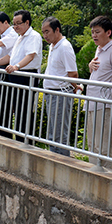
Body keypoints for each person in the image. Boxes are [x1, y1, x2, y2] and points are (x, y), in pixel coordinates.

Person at [0, 10, 42, 142]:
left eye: (18, 23)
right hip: (15, 75)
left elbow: (30, 56)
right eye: (14, 24)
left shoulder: (33, 36)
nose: (15, 27)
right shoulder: (19, 37)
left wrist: (16, 66)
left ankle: (25, 142)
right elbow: (9, 57)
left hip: (26, 75)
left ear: (27, 22)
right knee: (16, 110)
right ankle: (16, 140)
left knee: (23, 111)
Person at [84, 16, 112, 168]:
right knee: (92, 143)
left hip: (104, 103)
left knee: (103, 144)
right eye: (92, 32)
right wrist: (90, 66)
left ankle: (106, 175)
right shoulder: (99, 49)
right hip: (92, 101)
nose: (94, 35)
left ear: (108, 32)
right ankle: (94, 172)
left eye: (97, 32)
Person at [41, 17, 79, 156]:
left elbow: (73, 73)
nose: (45, 36)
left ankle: (62, 161)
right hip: (51, 92)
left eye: (47, 31)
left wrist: (75, 87)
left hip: (60, 93)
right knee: (53, 132)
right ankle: (54, 159)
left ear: (57, 30)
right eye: (43, 32)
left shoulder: (64, 47)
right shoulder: (53, 46)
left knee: (59, 134)